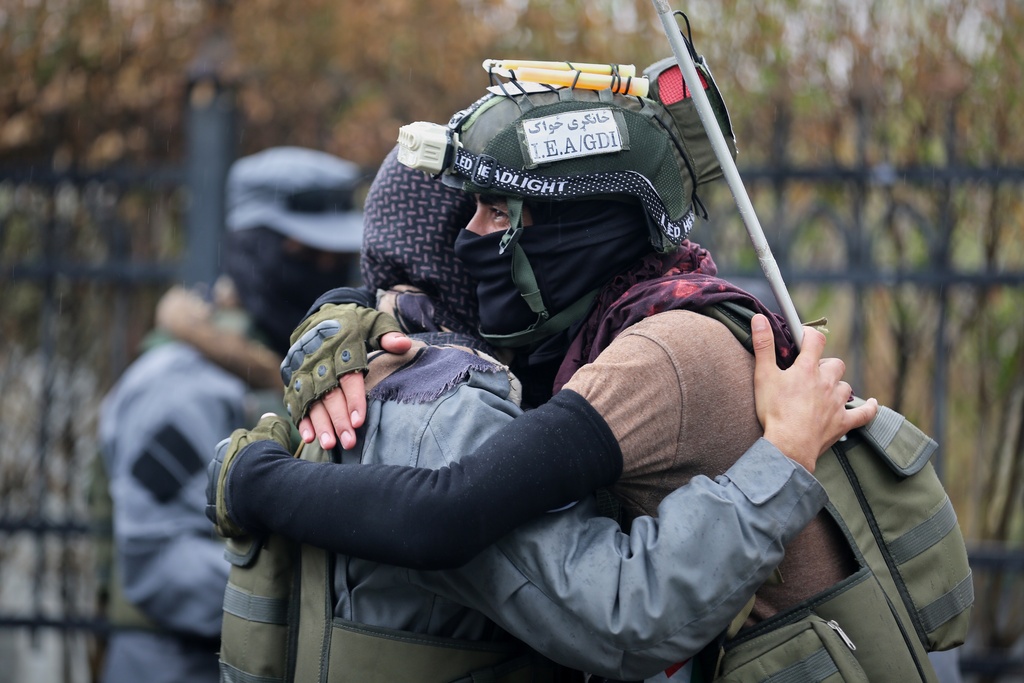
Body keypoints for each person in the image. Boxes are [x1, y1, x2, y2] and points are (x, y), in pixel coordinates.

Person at [207, 80, 875, 683]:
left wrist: (247, 476)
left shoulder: (656, 354)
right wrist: (334, 315)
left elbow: (455, 514)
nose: (471, 239)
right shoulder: (581, 336)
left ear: (573, 223)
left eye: (497, 210)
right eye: (465, 213)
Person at [96, 145, 364, 683]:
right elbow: (157, 562)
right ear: (253, 249)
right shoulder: (179, 385)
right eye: (302, 253)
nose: (326, 273)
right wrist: (319, 590)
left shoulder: (304, 372)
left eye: (337, 259)